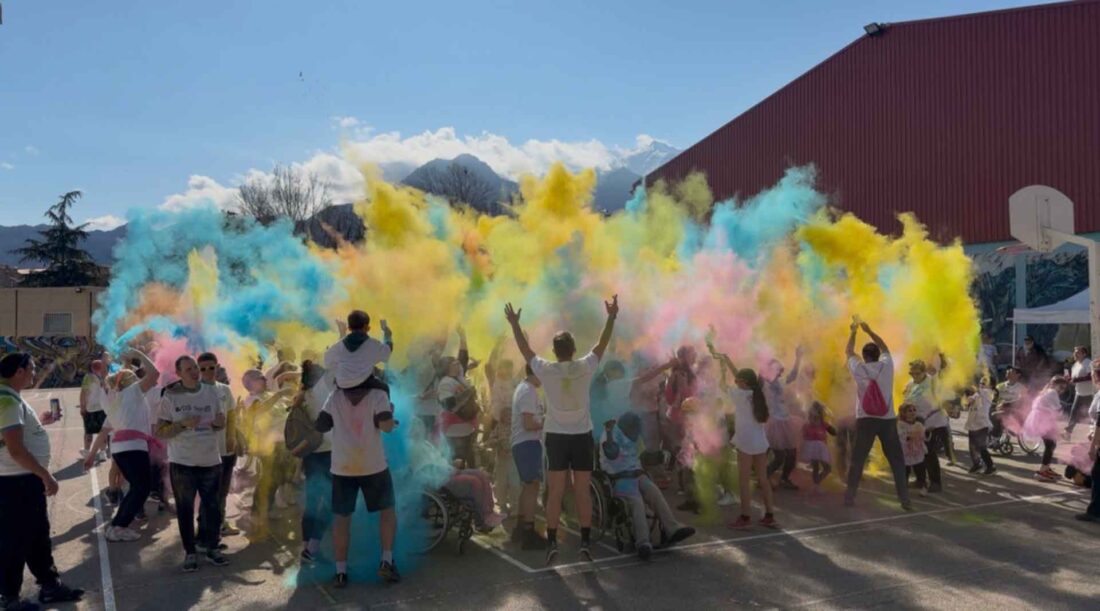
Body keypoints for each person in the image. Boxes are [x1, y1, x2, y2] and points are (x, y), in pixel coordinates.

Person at [504, 294, 618, 565]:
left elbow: (525, 350)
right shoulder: (585, 366)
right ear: (574, 349)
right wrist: (612, 316)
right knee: (582, 491)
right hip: (581, 436)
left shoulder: (546, 369)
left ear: (555, 352)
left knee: (555, 491)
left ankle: (552, 542)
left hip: (556, 437)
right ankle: (585, 543)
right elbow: (602, 343)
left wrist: (515, 324)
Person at [0, 353, 85, 610]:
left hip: (23, 481)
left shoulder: (10, 397)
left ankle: (50, 585)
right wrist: (45, 475)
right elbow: (15, 450)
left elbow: (13, 438)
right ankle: (10, 597)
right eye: (32, 369)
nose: (35, 374)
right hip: (17, 483)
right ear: (19, 371)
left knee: (37, 535)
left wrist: (40, 424)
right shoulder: (6, 400)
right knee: (15, 540)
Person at [315, 376, 400, 588]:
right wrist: (390, 415)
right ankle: (386, 561)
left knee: (342, 519)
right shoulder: (378, 395)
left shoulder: (335, 396)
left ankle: (340, 572)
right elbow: (387, 427)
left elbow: (321, 425)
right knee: (387, 511)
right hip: (373, 465)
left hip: (343, 467)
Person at [155, 355, 230, 572]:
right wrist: (182, 424)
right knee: (185, 509)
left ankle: (213, 548)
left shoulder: (211, 392)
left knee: (213, 508)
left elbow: (218, 423)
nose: (195, 372)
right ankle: (190, 553)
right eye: (188, 369)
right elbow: (160, 431)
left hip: (210, 460)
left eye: (195, 367)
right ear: (179, 373)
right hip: (182, 463)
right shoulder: (170, 396)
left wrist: (220, 423)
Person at [82, 350, 160, 542]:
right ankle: (118, 526)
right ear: (130, 382)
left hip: (120, 450)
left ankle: (117, 526)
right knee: (141, 488)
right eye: (135, 378)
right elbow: (154, 374)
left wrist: (91, 455)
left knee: (137, 488)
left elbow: (103, 433)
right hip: (133, 448)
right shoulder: (133, 392)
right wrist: (138, 354)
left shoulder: (116, 403)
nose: (139, 380)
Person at [599, 411, 695, 559]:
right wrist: (609, 433)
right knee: (637, 502)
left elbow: (643, 456)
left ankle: (672, 528)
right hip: (618, 477)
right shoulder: (610, 435)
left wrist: (659, 456)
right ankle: (643, 542)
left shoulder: (635, 434)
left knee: (654, 493)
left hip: (637, 473)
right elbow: (612, 454)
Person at [843, 318, 912, 511]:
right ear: (877, 355)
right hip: (887, 420)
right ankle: (905, 499)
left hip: (865, 420)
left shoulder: (859, 368)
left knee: (858, 459)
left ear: (864, 356)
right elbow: (885, 347)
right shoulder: (887, 366)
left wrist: (854, 331)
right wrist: (869, 330)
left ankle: (849, 497)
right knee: (896, 461)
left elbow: (848, 351)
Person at [291, 360, 334, 565]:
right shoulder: (322, 392)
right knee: (333, 502)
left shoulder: (303, 396)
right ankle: (312, 548)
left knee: (312, 502)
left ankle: (306, 547)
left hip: (311, 454)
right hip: (327, 453)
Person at [195, 353, 240, 545]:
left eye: (211, 368)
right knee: (209, 497)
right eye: (203, 369)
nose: (207, 372)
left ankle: (216, 530)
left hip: (226, 451)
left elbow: (232, 415)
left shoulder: (225, 389)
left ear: (217, 367)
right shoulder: (194, 391)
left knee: (222, 494)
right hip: (207, 453)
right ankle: (203, 536)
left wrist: (231, 436)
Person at [510, 364, 547, 549]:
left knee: (528, 486)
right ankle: (528, 532)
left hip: (525, 443)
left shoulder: (526, 388)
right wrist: (548, 421)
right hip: (527, 443)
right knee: (532, 486)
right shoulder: (528, 391)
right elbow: (528, 424)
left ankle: (520, 528)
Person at [437, 328, 480, 468]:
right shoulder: (445, 382)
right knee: (456, 464)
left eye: (457, 364)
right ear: (446, 367)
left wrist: (463, 337)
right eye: (454, 364)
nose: (458, 366)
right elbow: (447, 404)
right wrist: (466, 394)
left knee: (469, 463)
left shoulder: (459, 378)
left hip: (467, 429)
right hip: (454, 432)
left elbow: (463, 358)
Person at [904, 359, 947, 493]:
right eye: (912, 373)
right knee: (917, 452)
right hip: (917, 424)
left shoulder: (933, 382)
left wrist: (926, 417)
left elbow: (941, 403)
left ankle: (935, 482)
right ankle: (920, 480)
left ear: (924, 372)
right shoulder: (910, 384)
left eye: (917, 373)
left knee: (929, 453)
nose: (914, 376)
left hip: (933, 424)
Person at [324, 310, 393, 390]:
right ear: (367, 328)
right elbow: (386, 353)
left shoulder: (339, 345)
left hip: (343, 384)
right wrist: (388, 336)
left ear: (349, 328)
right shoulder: (372, 344)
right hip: (364, 383)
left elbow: (327, 362)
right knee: (385, 388)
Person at [764, 349, 803, 491]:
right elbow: (770, 378)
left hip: (786, 420)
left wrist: (798, 358)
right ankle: (764, 478)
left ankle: (784, 479)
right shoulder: (770, 382)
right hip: (776, 423)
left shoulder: (779, 381)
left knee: (792, 454)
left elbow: (793, 376)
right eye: (777, 368)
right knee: (779, 457)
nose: (780, 370)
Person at [1025, 376, 1068, 481]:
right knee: (1050, 445)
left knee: (1051, 444)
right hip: (1042, 420)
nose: (1062, 390)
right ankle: (1042, 471)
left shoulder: (1047, 391)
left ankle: (1046, 468)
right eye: (1060, 387)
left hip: (1040, 419)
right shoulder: (1052, 392)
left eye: (1064, 388)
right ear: (1053, 385)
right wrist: (1065, 407)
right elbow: (1058, 409)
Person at [963, 379, 996, 475]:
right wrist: (967, 398)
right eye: (981, 382)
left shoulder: (989, 393)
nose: (981, 384)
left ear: (991, 386)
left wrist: (966, 382)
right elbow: (968, 402)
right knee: (972, 447)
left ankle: (990, 466)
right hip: (972, 424)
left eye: (984, 383)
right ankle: (977, 464)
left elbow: (977, 390)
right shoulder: (977, 394)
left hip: (981, 424)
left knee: (981, 447)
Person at [800, 401, 836, 490]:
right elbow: (833, 432)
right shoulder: (821, 424)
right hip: (818, 448)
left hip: (812, 447)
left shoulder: (809, 424)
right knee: (825, 468)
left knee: (818, 467)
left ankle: (816, 484)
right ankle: (816, 483)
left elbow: (803, 435)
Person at [79, 360, 108, 462]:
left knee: (89, 431)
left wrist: (82, 407)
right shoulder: (104, 377)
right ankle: (103, 453)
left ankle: (87, 452)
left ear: (92, 368)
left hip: (90, 408)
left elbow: (83, 393)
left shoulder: (88, 377)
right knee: (102, 431)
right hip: (102, 408)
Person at [1065, 346, 1094, 439]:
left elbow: (1091, 376)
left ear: (1084, 354)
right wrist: (1068, 379)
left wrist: (1076, 380)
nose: (1075, 354)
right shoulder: (1075, 365)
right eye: (1074, 352)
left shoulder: (1088, 362)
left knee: (1092, 413)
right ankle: (1068, 433)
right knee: (1074, 412)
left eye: (1078, 352)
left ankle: (1093, 432)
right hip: (1079, 392)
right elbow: (1073, 379)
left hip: (1089, 393)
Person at [897, 403, 927, 491]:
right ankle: (903, 485)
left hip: (917, 450)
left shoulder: (919, 424)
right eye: (910, 411)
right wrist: (909, 437)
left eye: (914, 410)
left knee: (920, 467)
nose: (913, 412)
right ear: (903, 413)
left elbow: (924, 437)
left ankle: (921, 483)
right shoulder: (900, 424)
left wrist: (927, 433)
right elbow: (901, 436)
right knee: (906, 469)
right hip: (906, 451)